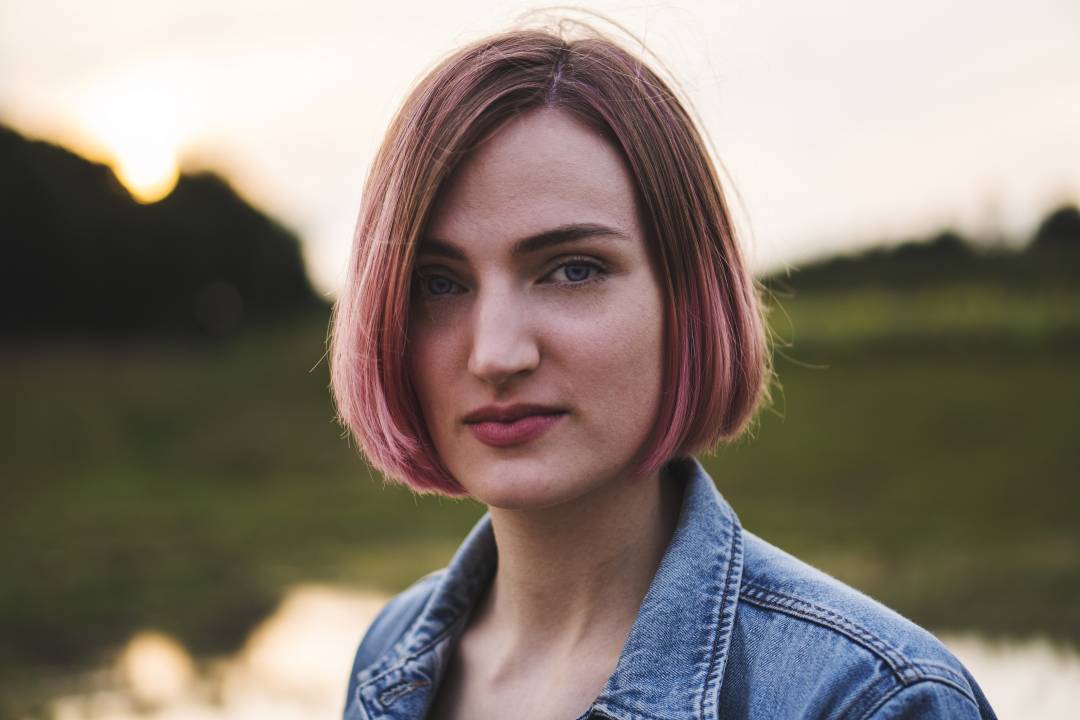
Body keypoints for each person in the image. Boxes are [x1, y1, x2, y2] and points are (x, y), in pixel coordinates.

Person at [329, 23, 997, 720]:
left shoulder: (868, 700)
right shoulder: (392, 654)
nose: (496, 355)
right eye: (439, 283)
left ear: (687, 299)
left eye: (572, 269)